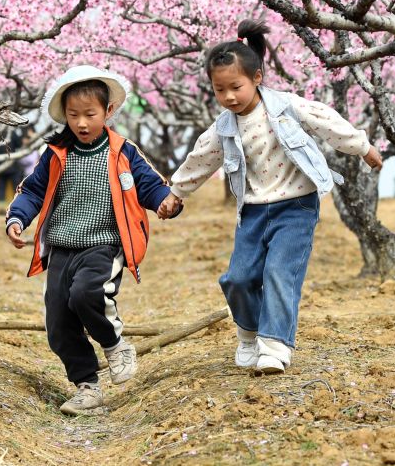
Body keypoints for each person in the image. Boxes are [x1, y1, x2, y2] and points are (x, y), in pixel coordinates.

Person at [157, 20, 382, 376]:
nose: (229, 97)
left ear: (257, 78)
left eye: (236, 87)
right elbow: (201, 158)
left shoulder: (285, 107)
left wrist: (362, 147)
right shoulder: (224, 127)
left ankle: (275, 347)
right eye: (220, 90)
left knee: (279, 272)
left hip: (296, 205)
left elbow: (325, 120)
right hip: (252, 211)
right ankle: (248, 333)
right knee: (238, 278)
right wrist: (176, 192)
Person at [5, 65, 178, 415]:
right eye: (73, 116)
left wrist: (165, 202)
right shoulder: (57, 153)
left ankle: (114, 345)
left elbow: (150, 184)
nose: (82, 123)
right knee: (58, 323)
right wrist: (17, 218)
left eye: (90, 114)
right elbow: (33, 191)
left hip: (104, 244)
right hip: (62, 247)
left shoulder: (122, 152)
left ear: (108, 111)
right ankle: (87, 387)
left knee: (88, 294)